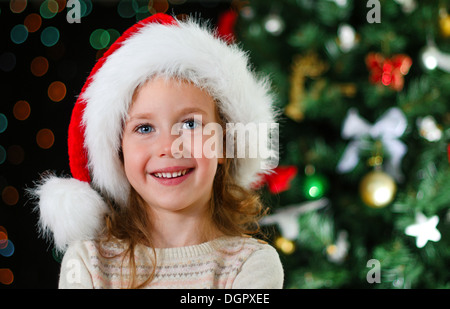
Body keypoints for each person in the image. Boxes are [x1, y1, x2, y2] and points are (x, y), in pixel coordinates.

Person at [32, 13, 283, 289]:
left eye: (190, 124)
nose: (168, 147)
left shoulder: (251, 264)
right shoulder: (89, 262)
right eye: (144, 128)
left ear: (224, 144)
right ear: (119, 152)